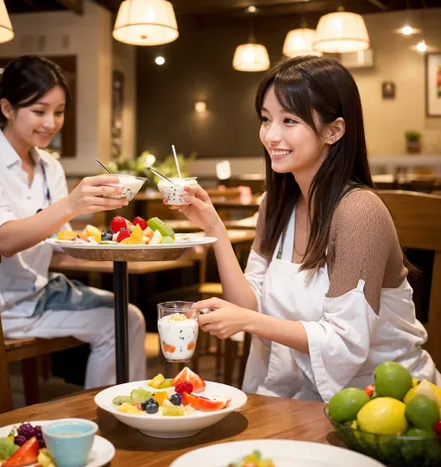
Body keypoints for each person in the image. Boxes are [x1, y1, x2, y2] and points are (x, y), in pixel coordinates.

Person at [169, 56, 441, 401]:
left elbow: (345, 341)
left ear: (334, 130)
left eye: (289, 120)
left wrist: (248, 322)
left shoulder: (359, 212)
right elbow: (248, 305)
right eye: (266, 119)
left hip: (383, 402)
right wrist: (215, 229)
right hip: (299, 398)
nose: (271, 135)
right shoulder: (276, 205)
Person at [0, 55, 146, 389]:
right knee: (120, 321)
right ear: (7, 108)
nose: (50, 122)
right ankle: (103, 420)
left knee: (128, 317)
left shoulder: (50, 166)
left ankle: (118, 415)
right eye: (39, 111)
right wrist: (72, 204)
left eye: (59, 111)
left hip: (38, 294)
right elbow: (4, 240)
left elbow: (57, 244)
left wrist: (113, 244)